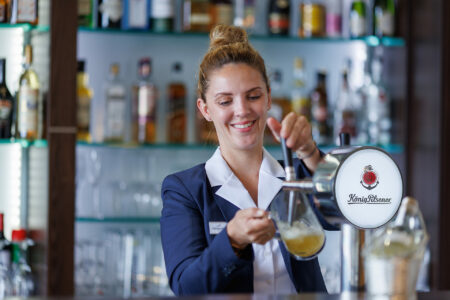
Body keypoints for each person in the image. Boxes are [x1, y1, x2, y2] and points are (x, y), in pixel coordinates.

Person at [160, 25, 326, 295]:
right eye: (225, 101)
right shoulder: (185, 190)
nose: (242, 111)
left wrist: (310, 152)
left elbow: (348, 213)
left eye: (253, 96)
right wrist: (231, 240)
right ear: (205, 109)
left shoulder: (300, 174)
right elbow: (186, 287)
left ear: (269, 97)